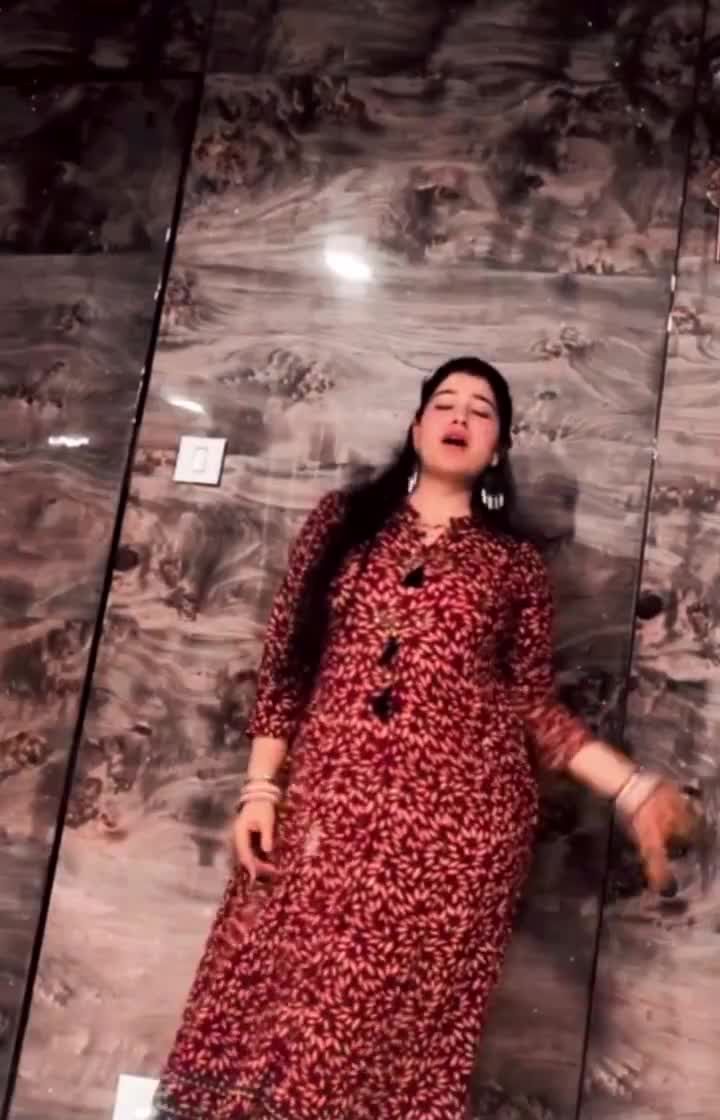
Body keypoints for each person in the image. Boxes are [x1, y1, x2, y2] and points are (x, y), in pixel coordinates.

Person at [153, 357, 697, 1120]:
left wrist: (632, 788)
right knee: (279, 1018)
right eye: (445, 402)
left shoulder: (514, 567)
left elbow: (533, 707)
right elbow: (287, 664)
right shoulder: (341, 524)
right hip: (328, 814)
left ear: (499, 446)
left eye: (482, 410)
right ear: (415, 427)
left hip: (454, 839)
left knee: (372, 1040)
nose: (461, 416)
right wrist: (259, 787)